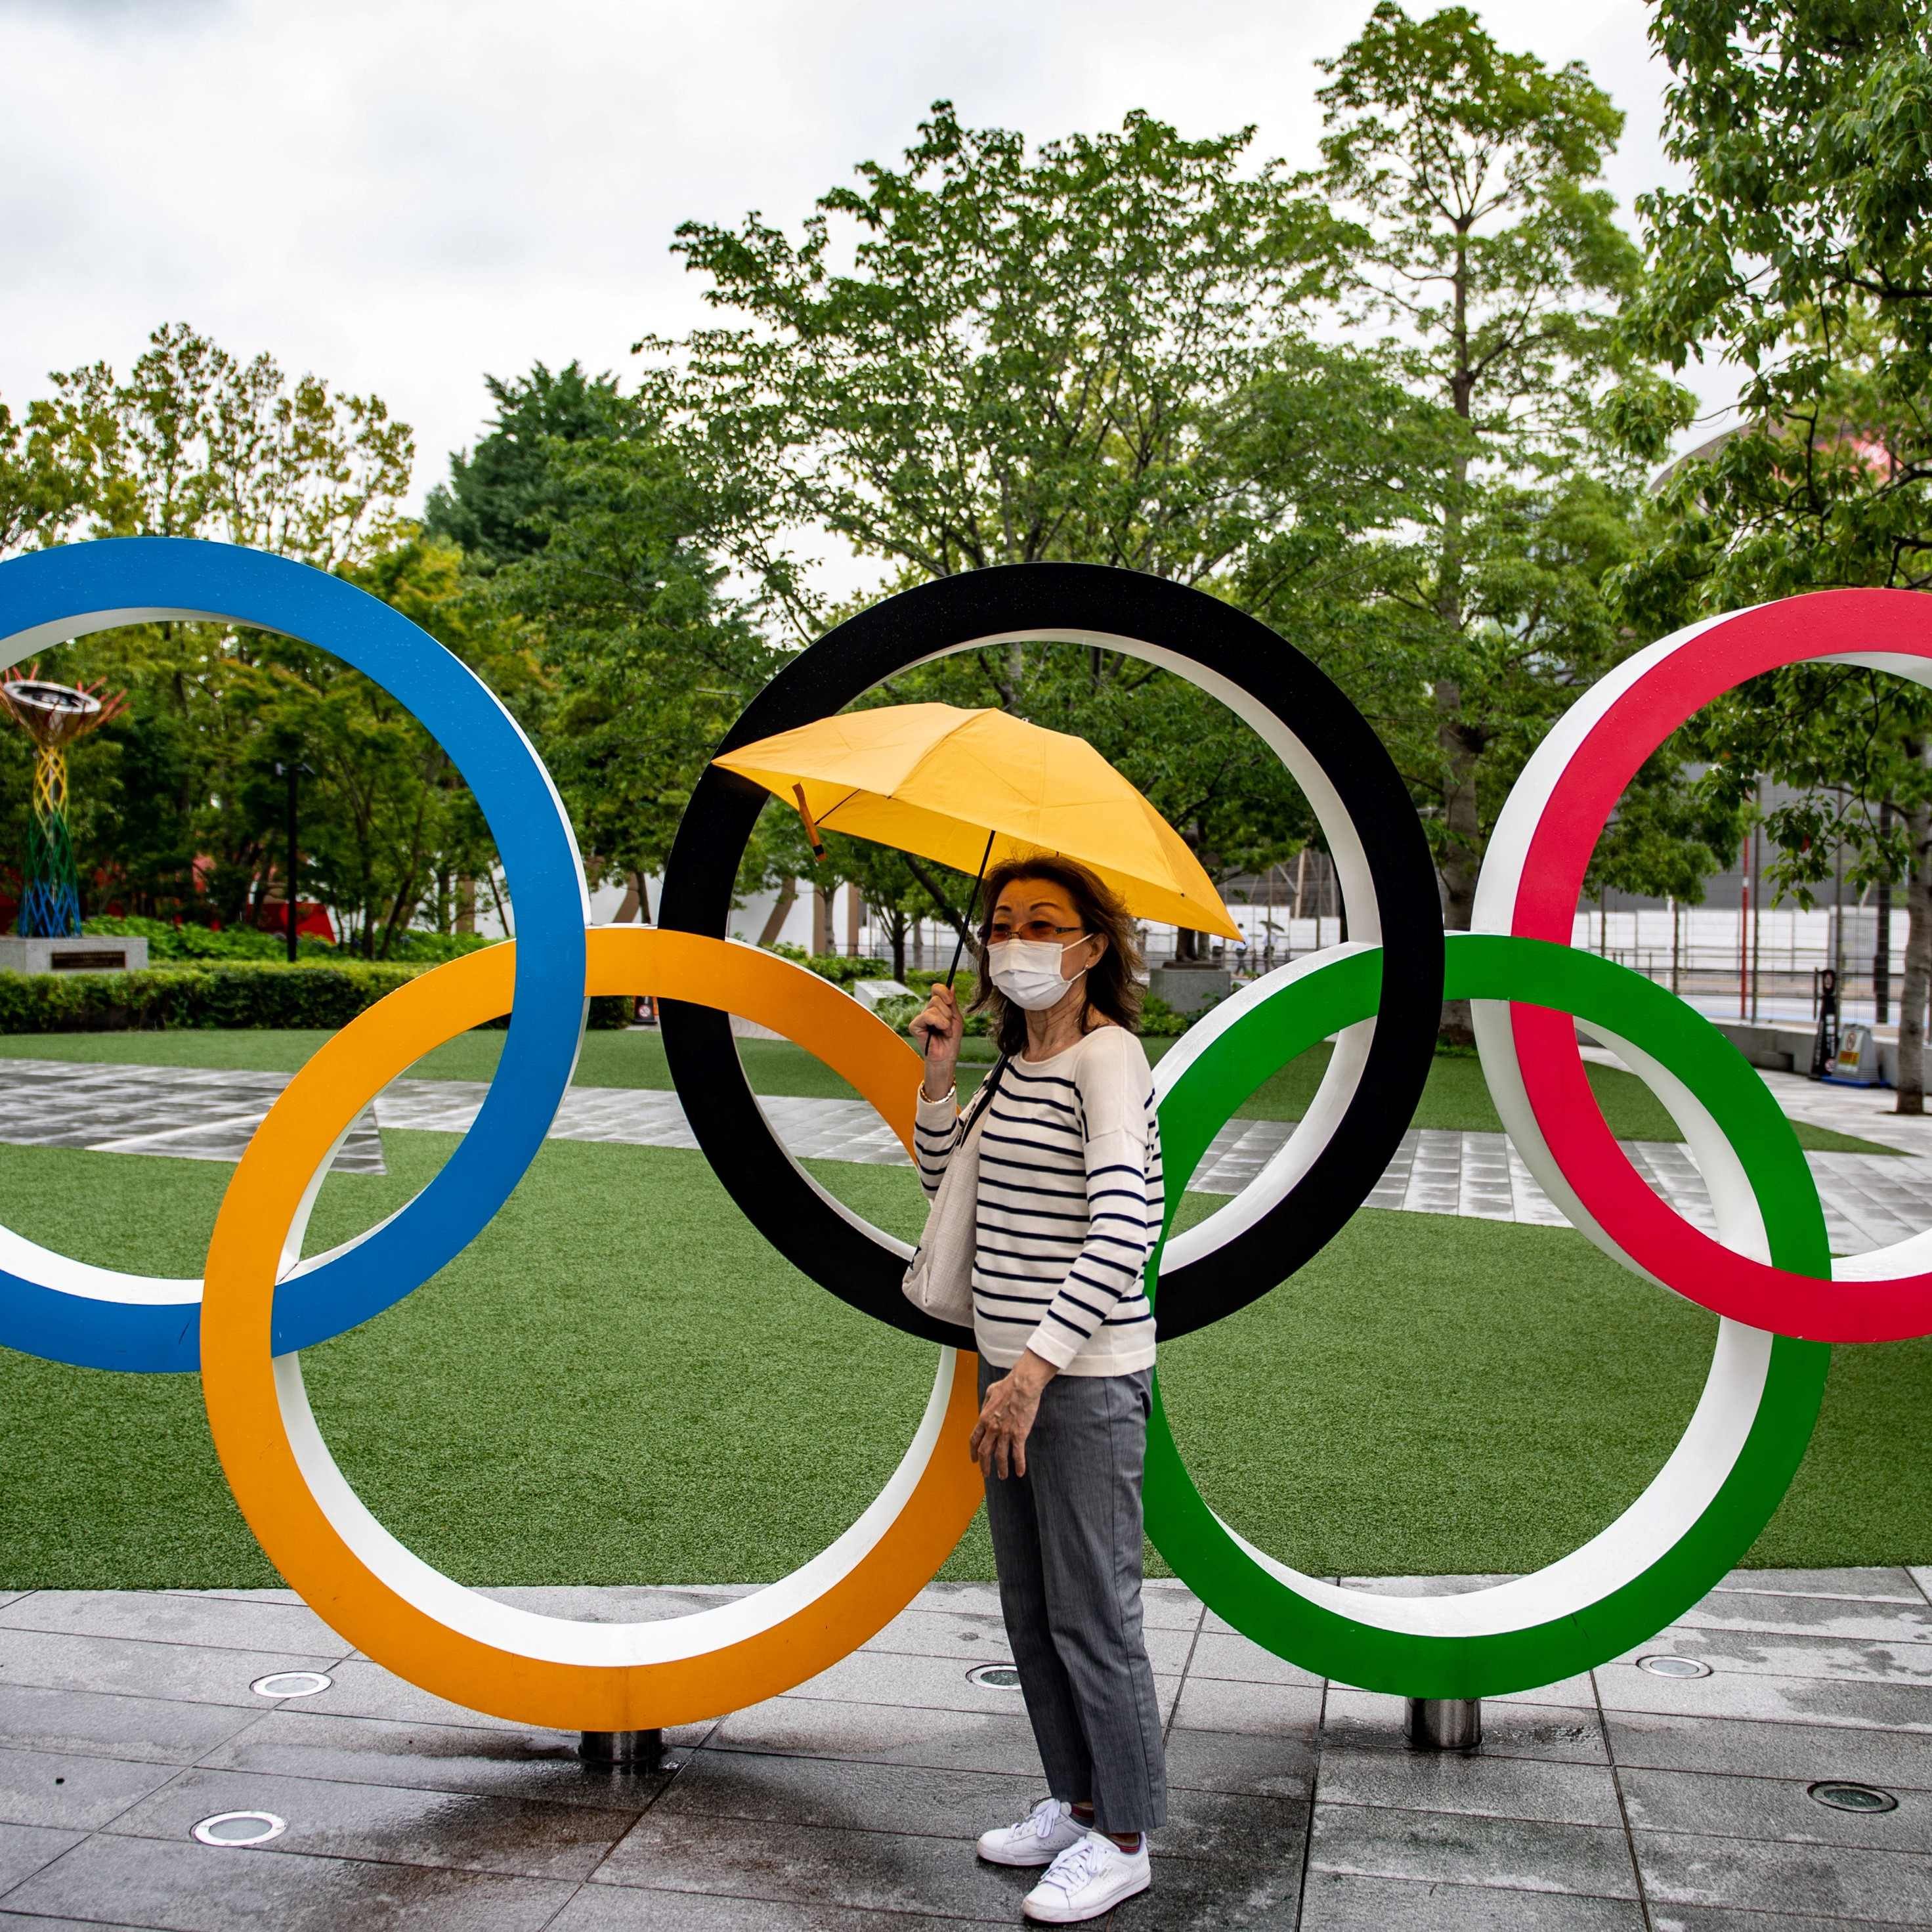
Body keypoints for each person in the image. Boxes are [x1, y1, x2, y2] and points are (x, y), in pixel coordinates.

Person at [912, 855, 1165, 1926]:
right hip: (1009, 1374)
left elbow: (1126, 1231)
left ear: (1092, 946)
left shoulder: (1109, 1060)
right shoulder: (1021, 1067)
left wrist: (1032, 1370)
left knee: (1094, 1615)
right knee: (1031, 1612)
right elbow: (949, 1192)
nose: (1016, 940)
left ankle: (1124, 1836)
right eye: (1002, 922)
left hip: (1074, 1380)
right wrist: (938, 1076)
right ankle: (1075, 1798)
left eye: (1043, 923)